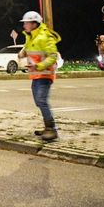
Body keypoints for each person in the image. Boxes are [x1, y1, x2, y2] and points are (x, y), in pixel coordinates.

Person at [18, 11, 61, 141]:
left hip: (45, 75)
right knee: (39, 102)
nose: (24, 25)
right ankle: (47, 127)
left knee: (41, 101)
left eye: (26, 22)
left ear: (34, 23)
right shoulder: (31, 36)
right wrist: (22, 53)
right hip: (36, 75)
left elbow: (53, 56)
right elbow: (28, 48)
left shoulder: (45, 36)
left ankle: (51, 129)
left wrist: (38, 66)